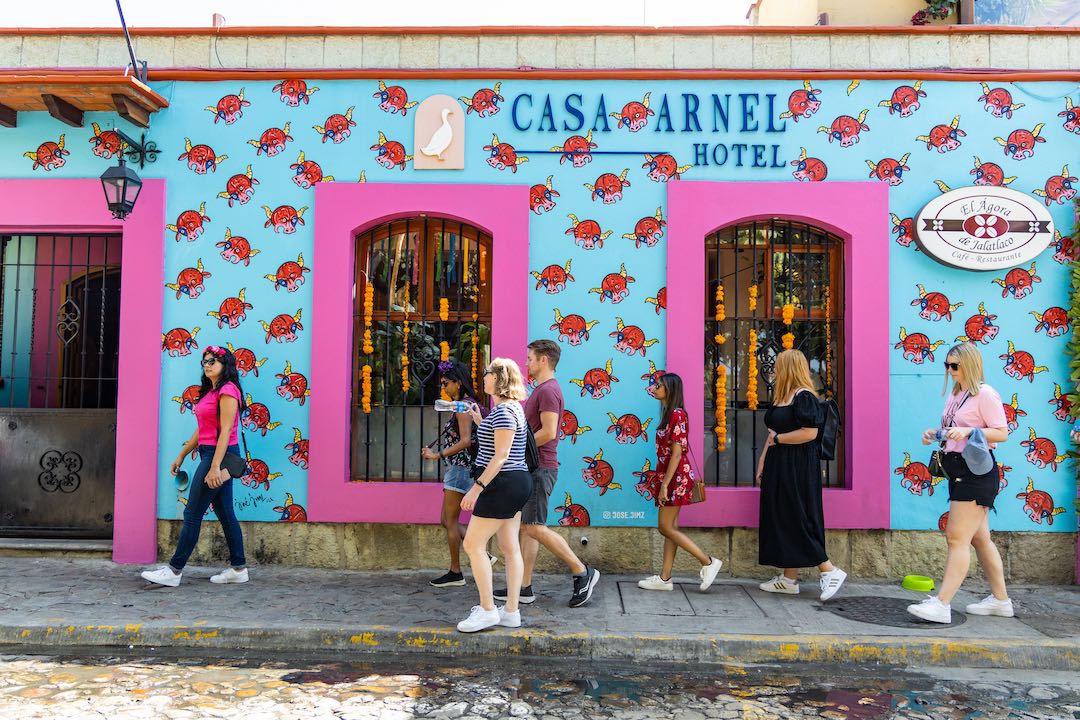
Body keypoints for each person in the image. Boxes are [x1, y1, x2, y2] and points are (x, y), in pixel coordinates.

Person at [908, 342, 1012, 624]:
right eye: (947, 365)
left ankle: (942, 604)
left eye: (955, 365)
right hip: (958, 470)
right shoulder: (956, 394)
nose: (950, 370)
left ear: (970, 365)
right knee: (980, 538)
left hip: (975, 473)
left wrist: (968, 430)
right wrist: (936, 433)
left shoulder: (985, 394)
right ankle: (1001, 600)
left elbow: (1001, 433)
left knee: (956, 538)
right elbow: (954, 431)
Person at [493, 340, 600, 608]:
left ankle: (582, 572)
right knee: (528, 528)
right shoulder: (542, 389)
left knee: (533, 527)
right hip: (535, 466)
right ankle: (524, 587)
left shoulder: (549, 391)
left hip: (541, 467)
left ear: (543, 360)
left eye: (530, 358)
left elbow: (549, 432)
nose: (526, 363)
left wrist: (516, 445)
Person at [142, 345, 248, 587]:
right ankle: (239, 568)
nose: (207, 365)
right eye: (205, 362)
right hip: (209, 454)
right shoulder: (211, 392)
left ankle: (174, 571)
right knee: (225, 513)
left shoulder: (228, 390)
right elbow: (203, 430)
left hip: (219, 456)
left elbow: (226, 431)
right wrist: (182, 454)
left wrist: (215, 466)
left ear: (225, 365)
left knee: (192, 514)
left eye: (212, 361)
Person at [755, 349, 847, 601]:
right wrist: (763, 460)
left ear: (788, 368)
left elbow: (810, 433)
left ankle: (829, 570)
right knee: (785, 515)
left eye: (778, 365)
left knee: (797, 515)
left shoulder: (804, 396)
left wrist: (779, 440)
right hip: (779, 463)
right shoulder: (782, 396)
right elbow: (772, 434)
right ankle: (789, 579)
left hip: (798, 466)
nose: (774, 369)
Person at [456, 358, 535, 632]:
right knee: (510, 547)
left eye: (487, 373)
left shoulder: (503, 412)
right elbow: (499, 444)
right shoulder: (511, 409)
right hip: (514, 483)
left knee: (472, 544)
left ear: (499, 378)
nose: (483, 377)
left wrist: (476, 488)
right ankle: (511, 611)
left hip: (501, 483)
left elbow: (501, 456)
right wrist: (481, 421)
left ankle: (488, 609)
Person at [637, 372, 723, 592]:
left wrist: (665, 485)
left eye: (659, 385)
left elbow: (676, 454)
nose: (654, 388)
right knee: (671, 527)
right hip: (670, 476)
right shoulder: (669, 413)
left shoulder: (677, 414)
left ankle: (708, 561)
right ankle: (665, 578)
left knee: (664, 527)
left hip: (675, 477)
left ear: (670, 390)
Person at [421, 359, 481, 588]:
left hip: (459, 469)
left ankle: (456, 572)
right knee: (446, 520)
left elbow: (465, 441)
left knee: (451, 521)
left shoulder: (464, 406)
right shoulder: (463, 405)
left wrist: (437, 455)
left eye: (446, 383)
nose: (444, 388)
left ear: (458, 382)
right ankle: (481, 554)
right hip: (459, 468)